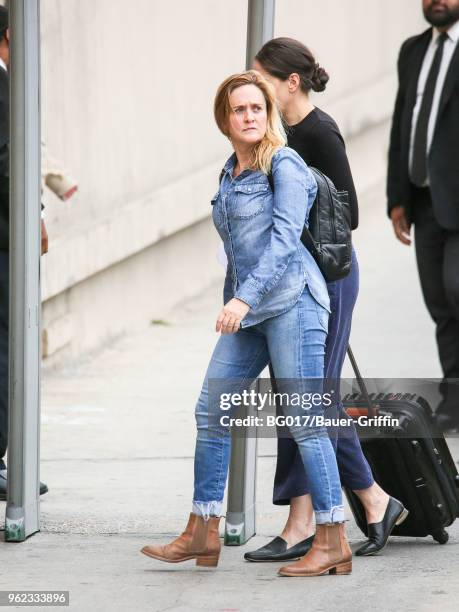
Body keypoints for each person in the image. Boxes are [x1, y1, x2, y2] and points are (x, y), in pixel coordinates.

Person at [141, 70, 353, 577]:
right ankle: (203, 529)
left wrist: (241, 301)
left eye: (257, 107)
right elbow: (237, 253)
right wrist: (237, 301)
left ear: (269, 113)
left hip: (294, 304)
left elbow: (283, 241)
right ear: (226, 119)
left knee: (305, 421)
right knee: (211, 410)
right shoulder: (229, 171)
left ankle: (332, 538)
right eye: (239, 109)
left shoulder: (286, 164)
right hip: (251, 310)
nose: (249, 116)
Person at [241, 37, 407, 560]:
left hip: (329, 279)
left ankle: (324, 514)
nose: (255, 85)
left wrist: (294, 214)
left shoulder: (319, 131)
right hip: (296, 282)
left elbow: (349, 213)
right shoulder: (280, 132)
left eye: (261, 76)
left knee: (310, 399)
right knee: (307, 397)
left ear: (291, 81)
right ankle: (356, 504)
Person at [387, 0, 459, 432]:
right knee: (440, 303)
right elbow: (402, 124)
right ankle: (453, 398)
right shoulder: (412, 50)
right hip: (426, 200)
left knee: (456, 289)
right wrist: (399, 196)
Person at [0, 5, 48, 501]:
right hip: (3, 241)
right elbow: (9, 161)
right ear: (12, 35)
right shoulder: (3, 84)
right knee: (7, 345)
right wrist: (32, 218)